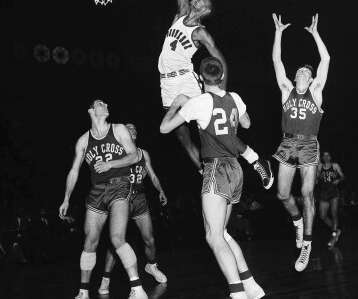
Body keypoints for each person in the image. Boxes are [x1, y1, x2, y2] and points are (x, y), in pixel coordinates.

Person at [157, 0, 273, 189]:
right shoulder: (181, 12)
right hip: (166, 82)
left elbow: (220, 59)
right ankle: (203, 171)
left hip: (186, 80)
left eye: (202, 0)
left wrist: (222, 91)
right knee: (181, 136)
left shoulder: (200, 32)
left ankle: (255, 159)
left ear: (205, 10)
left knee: (210, 127)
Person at [160, 57, 265, 299]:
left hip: (216, 169)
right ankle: (251, 286)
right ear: (220, 77)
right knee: (224, 233)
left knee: (214, 236)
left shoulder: (198, 103)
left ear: (200, 77)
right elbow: (247, 124)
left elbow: (164, 129)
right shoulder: (235, 98)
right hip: (236, 170)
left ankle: (237, 293)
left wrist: (176, 104)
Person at [58, 99, 147, 299]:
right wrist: (66, 199)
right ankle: (83, 292)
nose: (105, 105)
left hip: (120, 185)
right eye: (100, 103)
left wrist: (110, 164)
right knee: (90, 241)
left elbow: (134, 156)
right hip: (97, 190)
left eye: (107, 103)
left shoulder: (119, 129)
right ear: (91, 110)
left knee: (117, 238)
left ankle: (138, 289)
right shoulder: (83, 140)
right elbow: (73, 171)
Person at [271, 13, 330, 272]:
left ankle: (306, 243)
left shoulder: (316, 93)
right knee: (283, 195)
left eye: (307, 70)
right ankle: (297, 221)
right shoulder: (286, 89)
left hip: (309, 145)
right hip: (287, 144)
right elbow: (276, 60)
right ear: (295, 78)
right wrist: (279, 32)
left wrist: (315, 33)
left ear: (312, 77)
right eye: (300, 70)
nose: (302, 71)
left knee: (307, 193)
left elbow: (326, 59)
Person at [98, 123, 168, 295]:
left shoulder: (143, 153)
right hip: (121, 196)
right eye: (129, 129)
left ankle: (152, 266)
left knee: (149, 239)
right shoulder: (116, 153)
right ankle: (105, 279)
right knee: (117, 241)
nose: (133, 130)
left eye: (135, 129)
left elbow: (151, 174)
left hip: (139, 197)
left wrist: (160, 190)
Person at [316, 151, 345, 247]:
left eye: (328, 155)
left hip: (333, 192)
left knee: (333, 213)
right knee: (322, 215)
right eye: (324, 156)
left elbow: (343, 177)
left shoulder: (335, 165)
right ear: (322, 158)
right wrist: (315, 177)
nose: (326, 157)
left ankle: (333, 237)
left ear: (330, 157)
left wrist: (338, 179)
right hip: (324, 193)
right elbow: (316, 181)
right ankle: (336, 230)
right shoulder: (319, 167)